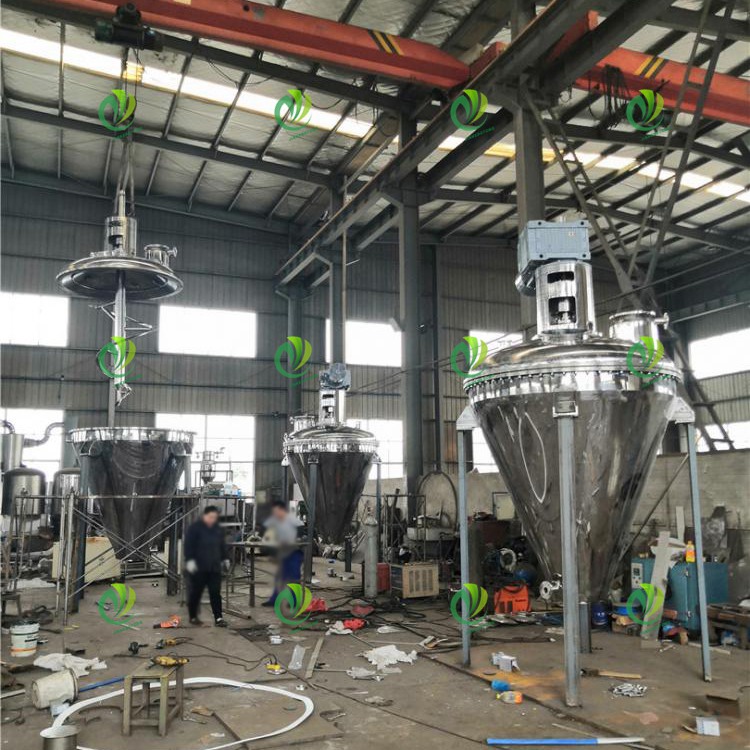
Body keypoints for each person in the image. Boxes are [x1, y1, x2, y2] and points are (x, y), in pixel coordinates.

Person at [184, 505, 230, 627]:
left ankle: (218, 618)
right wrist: (189, 560)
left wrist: (225, 558)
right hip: (199, 567)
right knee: (196, 592)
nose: (212, 519)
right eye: (210, 517)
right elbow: (188, 545)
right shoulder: (195, 529)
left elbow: (222, 545)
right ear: (204, 516)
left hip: (214, 567)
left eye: (214, 517)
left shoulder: (218, 529)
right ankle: (193, 616)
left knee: (215, 592)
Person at [261, 499, 304, 607]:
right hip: (282, 553)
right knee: (279, 577)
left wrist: (295, 538)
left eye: (276, 511)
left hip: (294, 553)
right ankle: (275, 599)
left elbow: (301, 531)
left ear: (282, 510)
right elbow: (265, 529)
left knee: (293, 577)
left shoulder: (292, 520)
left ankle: (294, 601)